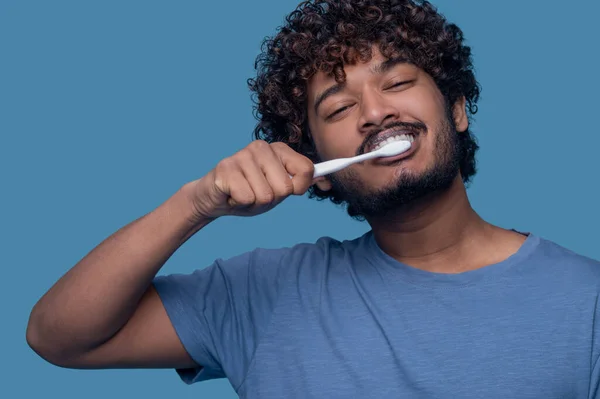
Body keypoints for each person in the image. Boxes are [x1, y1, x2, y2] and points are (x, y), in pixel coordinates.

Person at [26, 0, 600, 397]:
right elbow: (58, 338)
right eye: (339, 108)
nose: (375, 112)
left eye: (397, 82)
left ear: (456, 110)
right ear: (317, 169)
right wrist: (196, 204)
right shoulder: (259, 294)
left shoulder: (589, 301)